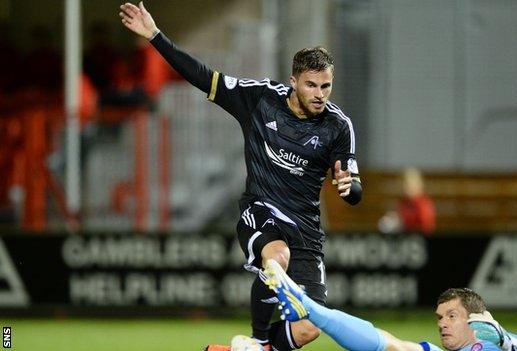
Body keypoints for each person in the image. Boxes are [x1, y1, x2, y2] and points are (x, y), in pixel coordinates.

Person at [119, 3, 362, 351]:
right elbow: (204, 76)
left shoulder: (338, 126)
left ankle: (252, 349)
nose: (320, 94)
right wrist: (155, 36)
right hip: (261, 211)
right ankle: (259, 336)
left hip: (306, 229)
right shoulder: (260, 99)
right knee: (276, 258)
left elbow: (354, 189)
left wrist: (348, 186)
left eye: (326, 86)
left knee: (309, 329)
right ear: (293, 81)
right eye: (311, 85)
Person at [233, 259, 517, 351]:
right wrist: (309, 308)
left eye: (451, 315)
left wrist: (505, 339)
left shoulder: (498, 342)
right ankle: (307, 305)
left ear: (475, 320)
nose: (442, 323)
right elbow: (387, 344)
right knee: (392, 346)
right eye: (439, 317)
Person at [378, 168, 435, 235]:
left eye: (409, 184)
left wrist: (403, 222)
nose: (406, 187)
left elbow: (425, 225)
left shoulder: (424, 204)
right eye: (405, 184)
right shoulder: (403, 202)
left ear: (419, 185)